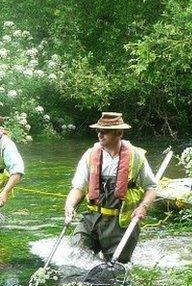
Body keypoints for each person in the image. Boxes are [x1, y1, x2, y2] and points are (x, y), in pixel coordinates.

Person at [63, 112, 158, 263]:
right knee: (75, 256)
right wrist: (69, 205)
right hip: (92, 220)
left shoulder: (136, 157)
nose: (100, 135)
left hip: (121, 224)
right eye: (98, 131)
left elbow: (151, 187)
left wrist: (143, 207)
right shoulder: (89, 155)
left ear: (119, 133)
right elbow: (78, 188)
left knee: (117, 269)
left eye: (104, 131)